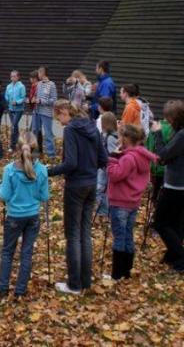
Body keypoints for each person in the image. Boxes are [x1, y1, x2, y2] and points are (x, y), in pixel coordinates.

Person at [48, 100, 108, 295]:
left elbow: (71, 162)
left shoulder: (72, 130)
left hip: (76, 186)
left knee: (73, 234)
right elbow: (103, 159)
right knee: (84, 232)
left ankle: (74, 284)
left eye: (59, 117)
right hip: (90, 185)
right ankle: (85, 280)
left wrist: (49, 171)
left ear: (64, 112)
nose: (60, 122)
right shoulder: (92, 126)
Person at [0, 132, 49, 298]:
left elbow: (4, 196)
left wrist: (0, 186)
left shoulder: (9, 170)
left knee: (8, 251)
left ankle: (3, 286)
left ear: (17, 149)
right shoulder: (41, 170)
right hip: (32, 216)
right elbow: (44, 196)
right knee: (26, 252)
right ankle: (20, 289)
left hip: (14, 217)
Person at [106, 124, 156, 280]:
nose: (119, 139)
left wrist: (113, 158)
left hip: (121, 201)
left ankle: (117, 273)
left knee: (120, 236)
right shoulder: (141, 156)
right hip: (132, 201)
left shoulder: (128, 158)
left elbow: (115, 175)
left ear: (126, 139)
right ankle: (126, 271)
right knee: (128, 235)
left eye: (120, 137)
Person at [151, 100, 184, 273]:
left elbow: (162, 155)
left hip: (176, 186)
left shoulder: (181, 135)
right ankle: (173, 256)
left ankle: (180, 256)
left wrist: (156, 134)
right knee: (176, 223)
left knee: (161, 223)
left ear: (175, 117)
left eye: (168, 118)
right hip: (178, 184)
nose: (167, 121)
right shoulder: (179, 133)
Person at [96, 112, 119, 218]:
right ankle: (105, 210)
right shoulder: (114, 134)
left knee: (100, 189)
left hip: (106, 167)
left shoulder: (110, 137)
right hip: (105, 166)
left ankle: (104, 211)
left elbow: (112, 154)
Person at [33, 66, 57, 159]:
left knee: (48, 133)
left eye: (39, 72)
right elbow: (36, 96)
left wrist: (41, 101)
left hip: (46, 113)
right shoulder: (38, 84)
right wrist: (33, 100)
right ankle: (35, 153)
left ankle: (51, 155)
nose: (38, 74)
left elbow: (54, 100)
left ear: (43, 73)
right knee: (35, 131)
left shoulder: (52, 84)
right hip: (36, 111)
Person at [5, 70, 26, 153]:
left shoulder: (21, 86)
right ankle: (20, 143)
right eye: (11, 76)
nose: (12, 78)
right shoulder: (8, 86)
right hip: (10, 109)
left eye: (14, 76)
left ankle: (12, 146)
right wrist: (8, 100)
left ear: (18, 77)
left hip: (19, 109)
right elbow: (6, 95)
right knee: (15, 127)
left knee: (13, 126)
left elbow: (23, 98)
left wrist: (17, 102)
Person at [27, 71, 43, 150]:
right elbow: (31, 97)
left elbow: (37, 98)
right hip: (34, 109)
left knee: (34, 129)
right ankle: (39, 149)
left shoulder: (38, 86)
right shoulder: (33, 86)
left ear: (35, 79)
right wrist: (29, 100)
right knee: (36, 129)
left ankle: (34, 148)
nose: (30, 80)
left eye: (32, 78)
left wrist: (33, 100)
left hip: (39, 110)